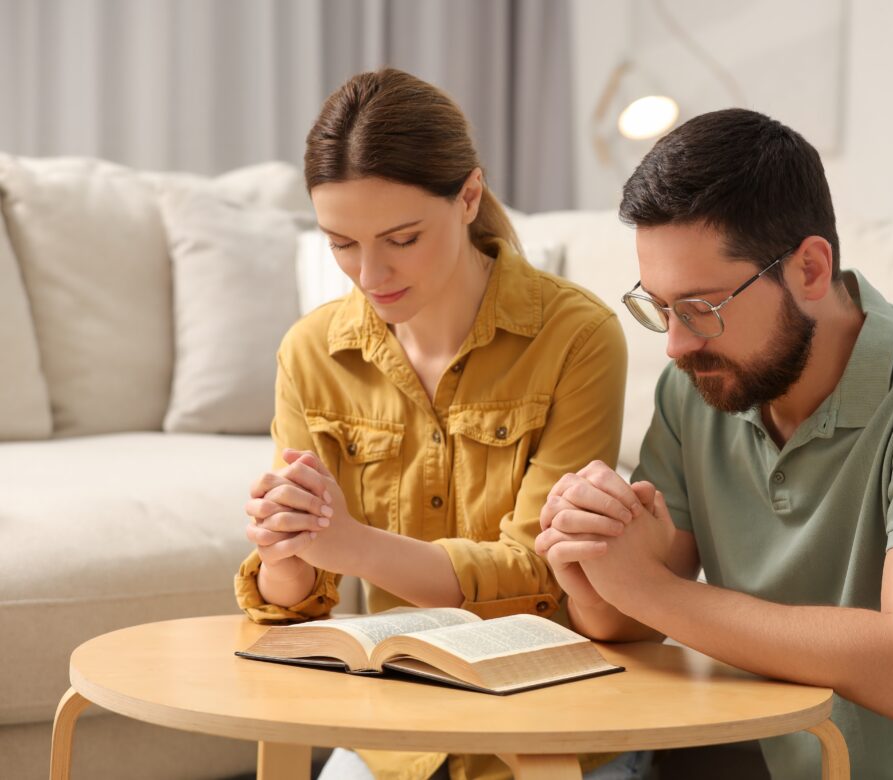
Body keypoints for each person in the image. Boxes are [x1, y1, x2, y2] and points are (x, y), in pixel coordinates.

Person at [536, 108, 893, 779]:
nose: (676, 343)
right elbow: (631, 619)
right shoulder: (698, 391)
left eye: (702, 309)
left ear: (809, 268)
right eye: (658, 307)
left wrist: (648, 591)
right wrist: (593, 564)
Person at [233, 68, 646, 780]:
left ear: (469, 197)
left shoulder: (577, 336)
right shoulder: (311, 351)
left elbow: (545, 576)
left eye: (401, 238)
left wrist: (353, 545)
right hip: (398, 738)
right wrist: (283, 549)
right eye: (341, 243)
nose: (369, 272)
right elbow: (294, 603)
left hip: (550, 729)